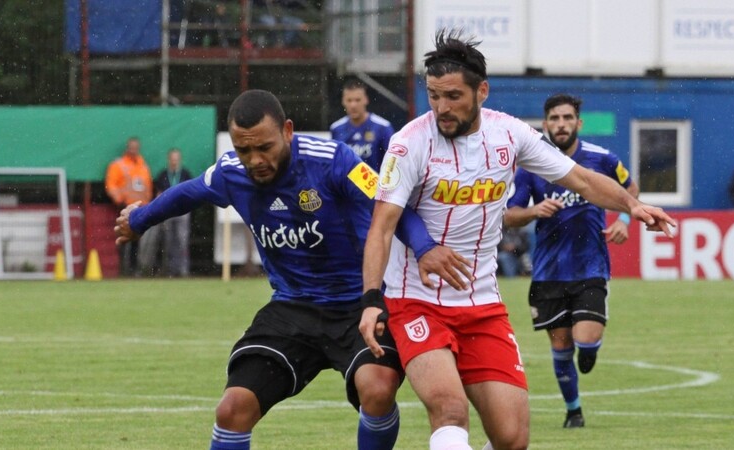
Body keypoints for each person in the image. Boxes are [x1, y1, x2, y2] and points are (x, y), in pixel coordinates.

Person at [359, 30, 675, 450]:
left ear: (482, 91)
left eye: (453, 96)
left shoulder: (510, 136)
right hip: (416, 300)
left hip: (482, 305)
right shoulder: (408, 143)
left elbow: (579, 177)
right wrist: (370, 299)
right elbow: (382, 224)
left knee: (512, 438)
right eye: (434, 96)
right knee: (450, 411)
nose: (442, 108)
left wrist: (631, 206)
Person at [114, 89, 469, 450]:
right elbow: (187, 193)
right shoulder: (230, 172)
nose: (254, 160)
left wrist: (424, 247)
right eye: (244, 150)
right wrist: (140, 219)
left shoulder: (334, 160)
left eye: (264, 147)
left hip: (357, 304)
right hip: (291, 307)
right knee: (232, 409)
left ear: (287, 130)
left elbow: (389, 203)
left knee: (377, 390)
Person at [503, 93, 639, 429]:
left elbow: (631, 190)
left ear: (578, 123)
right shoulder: (532, 168)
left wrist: (623, 220)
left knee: (585, 340)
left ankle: (590, 350)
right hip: (548, 270)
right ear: (545, 124)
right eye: (554, 119)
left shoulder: (601, 159)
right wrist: (533, 211)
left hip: (590, 266)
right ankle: (573, 410)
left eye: (567, 118)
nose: (561, 125)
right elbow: (509, 215)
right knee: (561, 345)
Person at [138, 148, 193, 277]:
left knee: (182, 240)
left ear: (179, 160)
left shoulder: (185, 174)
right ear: (169, 160)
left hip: (183, 211)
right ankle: (169, 269)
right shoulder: (163, 175)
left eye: (176, 159)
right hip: (168, 211)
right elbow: (158, 194)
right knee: (168, 241)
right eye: (172, 159)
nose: (174, 162)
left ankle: (183, 269)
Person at [105, 136, 153, 277]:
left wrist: (147, 203)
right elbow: (111, 184)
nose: (133, 150)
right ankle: (123, 269)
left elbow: (147, 187)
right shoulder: (118, 165)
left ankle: (134, 270)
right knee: (123, 237)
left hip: (140, 209)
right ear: (127, 148)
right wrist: (119, 199)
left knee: (137, 240)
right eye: (131, 147)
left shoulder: (143, 166)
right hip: (125, 207)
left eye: (136, 147)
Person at [330, 79, 395, 173]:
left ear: (366, 100)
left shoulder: (383, 127)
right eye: (349, 100)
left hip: (376, 186)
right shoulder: (336, 129)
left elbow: (392, 163)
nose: (353, 105)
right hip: (345, 187)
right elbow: (335, 164)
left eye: (357, 100)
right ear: (343, 101)